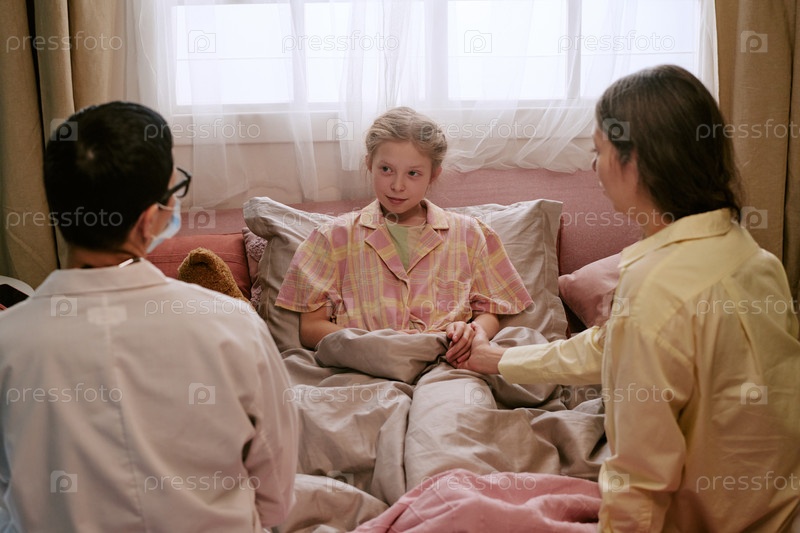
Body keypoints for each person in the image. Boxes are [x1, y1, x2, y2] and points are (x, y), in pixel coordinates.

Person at [455, 65, 800, 531]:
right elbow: (616, 343)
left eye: (598, 152)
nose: (593, 167)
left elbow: (640, 475)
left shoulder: (656, 287)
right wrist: (499, 360)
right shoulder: (753, 257)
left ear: (633, 162)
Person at [0, 102, 298, 532]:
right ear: (146, 221)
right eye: (173, 190)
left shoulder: (9, 344)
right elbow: (275, 495)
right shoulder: (233, 327)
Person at [276, 107, 532, 360]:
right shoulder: (331, 238)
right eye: (386, 169)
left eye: (413, 173)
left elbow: (489, 313)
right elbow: (311, 329)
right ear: (369, 164)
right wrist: (375, 344)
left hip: (447, 363)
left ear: (433, 175)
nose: (397, 185)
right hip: (365, 366)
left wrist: (472, 331)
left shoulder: (471, 234)